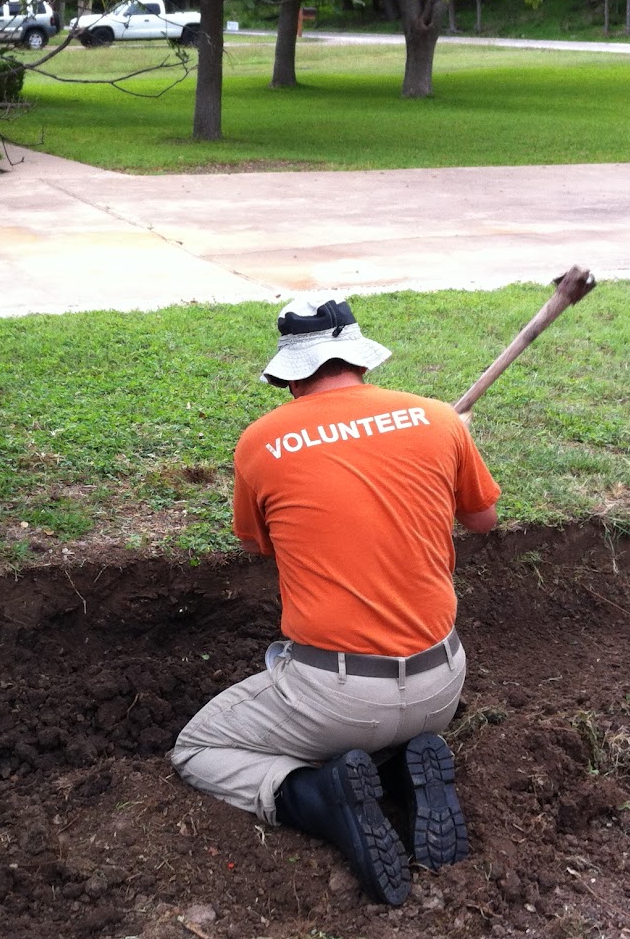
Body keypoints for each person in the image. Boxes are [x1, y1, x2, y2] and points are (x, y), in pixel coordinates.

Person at [170, 294, 500, 906]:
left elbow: (257, 547)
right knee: (394, 717)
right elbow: (482, 519)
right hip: (441, 685)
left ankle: (320, 799)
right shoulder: (437, 421)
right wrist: (453, 448)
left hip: (337, 698)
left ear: (291, 374)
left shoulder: (261, 443)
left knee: (197, 749)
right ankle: (402, 768)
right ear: (359, 358)